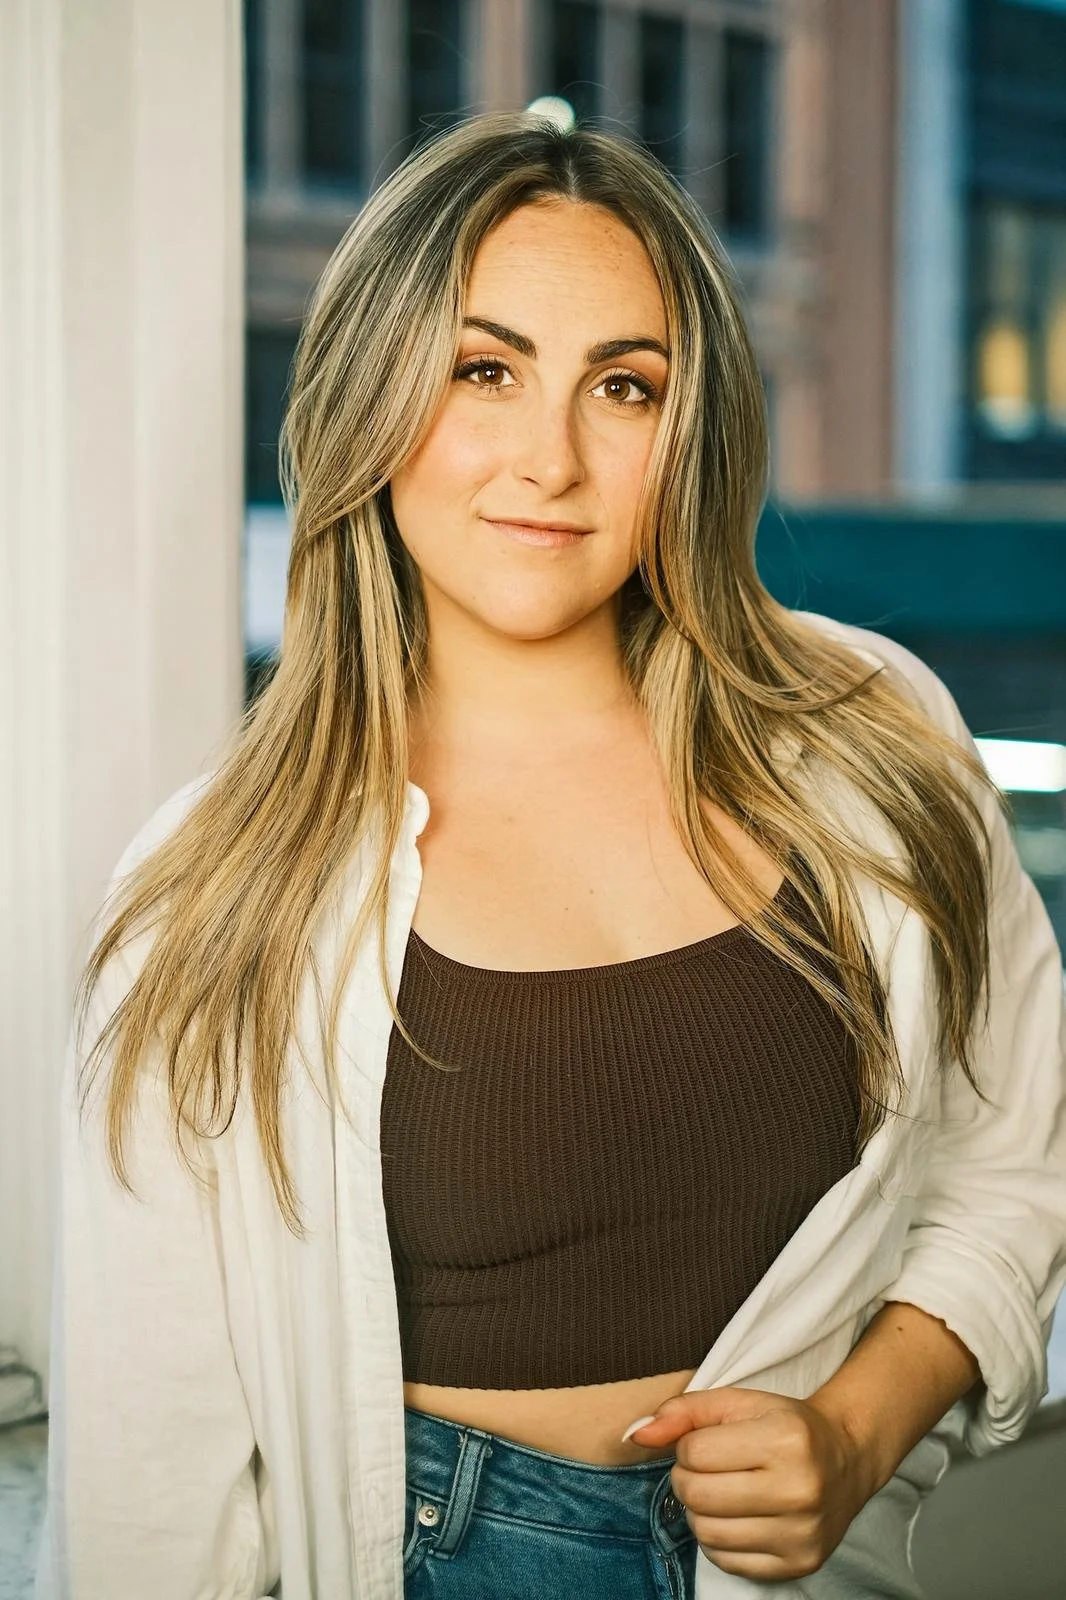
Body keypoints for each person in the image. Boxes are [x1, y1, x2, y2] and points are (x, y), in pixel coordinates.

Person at [35, 110, 1066, 1600]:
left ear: (687, 428)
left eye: (624, 387)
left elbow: (1010, 1162)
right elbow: (153, 1496)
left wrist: (855, 1427)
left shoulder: (871, 734)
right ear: (369, 401)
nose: (552, 460)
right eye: (483, 369)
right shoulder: (214, 890)